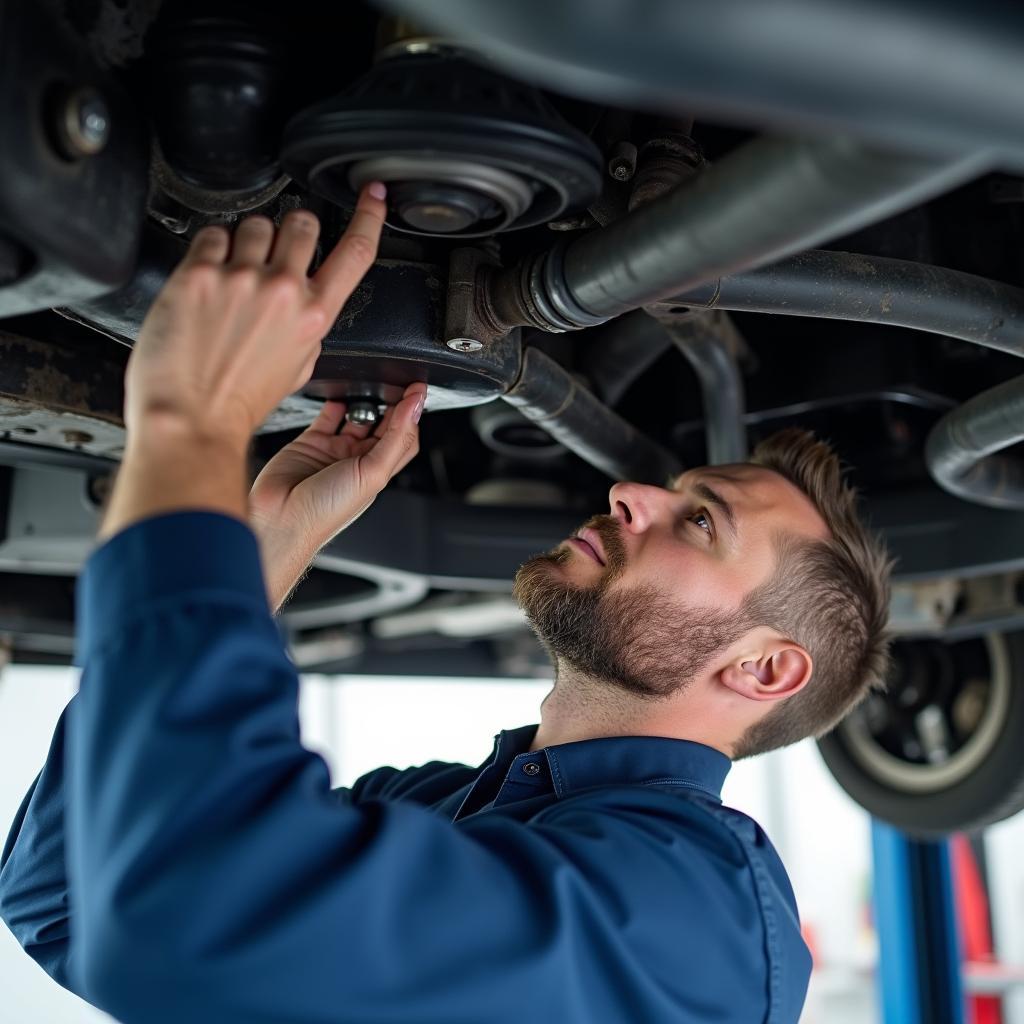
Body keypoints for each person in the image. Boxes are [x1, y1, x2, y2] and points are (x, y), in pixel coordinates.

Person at [0, 184, 892, 1024]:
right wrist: (261, 551)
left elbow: (186, 924)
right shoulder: (439, 805)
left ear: (764, 667)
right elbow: (62, 902)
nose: (631, 493)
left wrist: (193, 424)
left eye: (700, 521)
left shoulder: (696, 918)